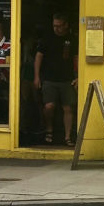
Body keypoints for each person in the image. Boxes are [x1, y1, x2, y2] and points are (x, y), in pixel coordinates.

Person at [34, 12, 78, 146]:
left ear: (66, 25)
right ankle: (49, 129)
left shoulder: (72, 39)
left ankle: (67, 136)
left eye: (59, 26)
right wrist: (36, 77)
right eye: (54, 26)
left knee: (68, 108)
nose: (56, 29)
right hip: (49, 78)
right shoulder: (47, 38)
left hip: (67, 78)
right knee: (49, 106)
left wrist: (78, 77)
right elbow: (38, 57)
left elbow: (76, 59)